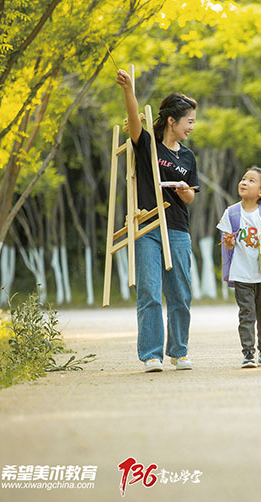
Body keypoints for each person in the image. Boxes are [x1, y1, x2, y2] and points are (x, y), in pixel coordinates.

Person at [116, 69, 198, 373]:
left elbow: (190, 197)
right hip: (148, 225)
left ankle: (179, 351)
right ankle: (151, 354)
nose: (192, 126)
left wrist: (183, 189)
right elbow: (134, 119)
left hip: (177, 228)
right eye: (189, 120)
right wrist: (129, 89)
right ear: (172, 121)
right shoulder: (148, 145)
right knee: (149, 291)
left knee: (180, 292)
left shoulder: (188, 157)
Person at [217, 167, 261, 368]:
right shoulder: (232, 212)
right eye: (243, 178)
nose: (244, 182)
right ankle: (248, 353)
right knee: (246, 315)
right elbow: (228, 245)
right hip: (241, 274)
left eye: (251, 181)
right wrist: (228, 242)